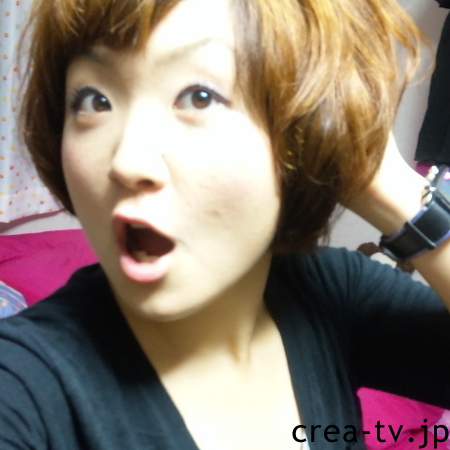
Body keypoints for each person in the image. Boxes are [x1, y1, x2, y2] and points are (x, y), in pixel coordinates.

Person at [1, 0, 450, 449]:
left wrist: (389, 186)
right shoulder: (23, 386)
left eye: (199, 96)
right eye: (94, 100)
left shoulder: (332, 290)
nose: (126, 160)